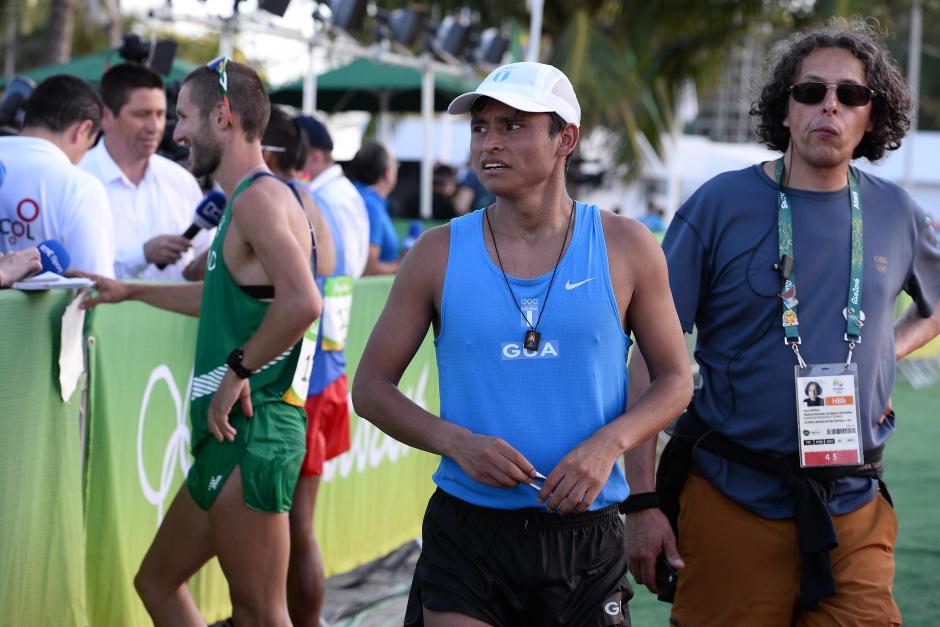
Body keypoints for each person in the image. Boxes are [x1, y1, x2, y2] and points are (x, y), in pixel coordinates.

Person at [352, 61, 692, 627]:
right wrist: (456, 443)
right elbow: (369, 388)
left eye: (513, 126)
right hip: (468, 533)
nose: (490, 142)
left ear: (566, 139)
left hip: (586, 537)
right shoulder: (436, 252)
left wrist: (607, 444)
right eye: (480, 127)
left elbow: (675, 379)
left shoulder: (627, 245)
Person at [624, 19, 940, 626]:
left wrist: (883, 352)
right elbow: (649, 356)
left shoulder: (895, 211)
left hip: (855, 503)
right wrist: (640, 500)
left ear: (872, 116)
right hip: (733, 496)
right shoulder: (719, 204)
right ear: (785, 109)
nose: (830, 106)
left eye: (851, 94)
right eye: (811, 91)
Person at [80, 58, 322, 626]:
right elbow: (221, 300)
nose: (178, 132)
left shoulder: (259, 199)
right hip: (231, 433)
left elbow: (303, 302)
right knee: (157, 582)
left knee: (260, 614)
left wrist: (238, 369)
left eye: (184, 116)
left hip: (254, 430)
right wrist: (131, 291)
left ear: (223, 116)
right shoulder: (250, 199)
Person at [259, 105, 342, 627]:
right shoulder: (314, 202)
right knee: (297, 526)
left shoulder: (274, 203)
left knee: (292, 528)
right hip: (325, 376)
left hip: (296, 386)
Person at [81, 63, 210, 281]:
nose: (155, 126)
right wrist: (141, 255)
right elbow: (74, 268)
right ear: (107, 117)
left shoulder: (181, 181)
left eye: (160, 114)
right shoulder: (79, 178)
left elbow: (204, 257)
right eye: (142, 114)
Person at [0, 75, 115, 276]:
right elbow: (94, 283)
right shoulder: (80, 188)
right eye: (90, 144)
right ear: (83, 129)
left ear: (24, 119)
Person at [297, 115, 369, 278]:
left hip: (331, 290)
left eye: (296, 155)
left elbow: (345, 266)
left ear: (315, 157)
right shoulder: (332, 191)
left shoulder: (331, 197)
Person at [346, 141, 401, 275]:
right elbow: (369, 268)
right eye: (395, 165)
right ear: (387, 173)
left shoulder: (357, 195)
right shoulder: (371, 205)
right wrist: (402, 265)